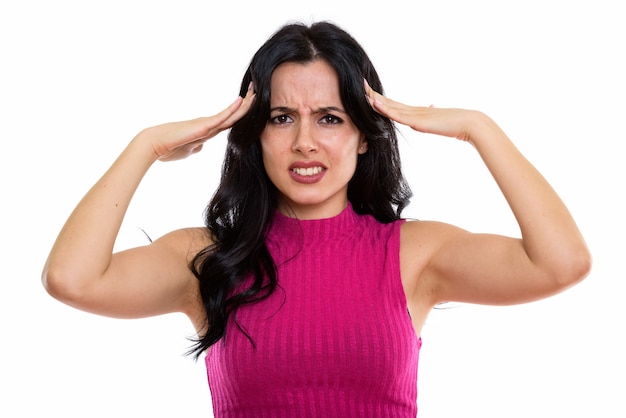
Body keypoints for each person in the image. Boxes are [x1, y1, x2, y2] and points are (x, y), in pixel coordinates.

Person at [42, 21, 591, 417]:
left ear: (363, 135)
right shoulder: (207, 259)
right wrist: (145, 146)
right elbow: (72, 279)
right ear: (256, 135)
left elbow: (562, 263)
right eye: (282, 118)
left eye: (330, 118)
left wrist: (478, 127)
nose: (305, 143)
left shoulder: (414, 254)